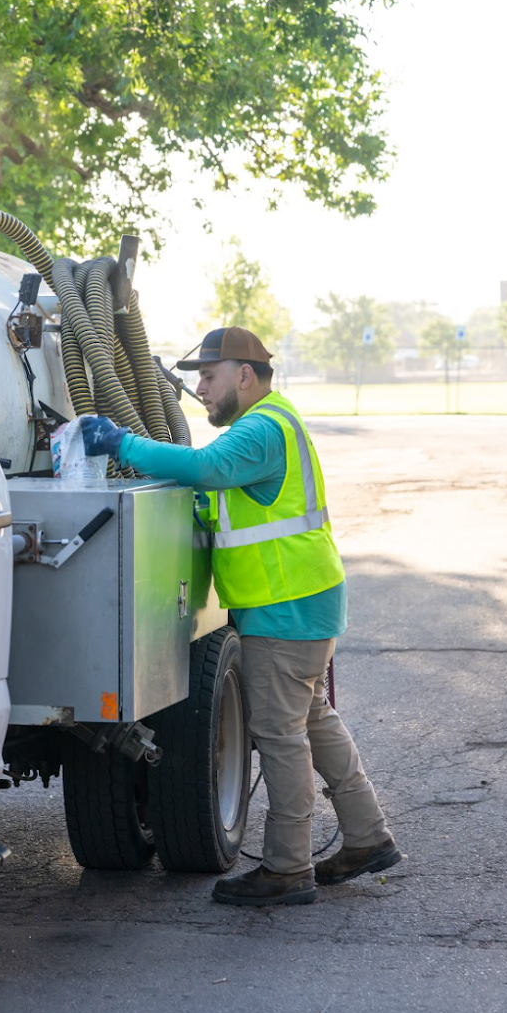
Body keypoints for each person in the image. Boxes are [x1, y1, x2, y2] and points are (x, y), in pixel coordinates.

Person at [79, 326, 401, 907]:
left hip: (285, 607)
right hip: (303, 601)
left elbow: (207, 468)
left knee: (279, 735)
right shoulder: (274, 421)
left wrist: (121, 444)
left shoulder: (260, 429)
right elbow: (229, 496)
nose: (199, 388)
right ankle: (367, 835)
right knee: (312, 721)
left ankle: (286, 868)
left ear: (244, 375)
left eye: (208, 376)